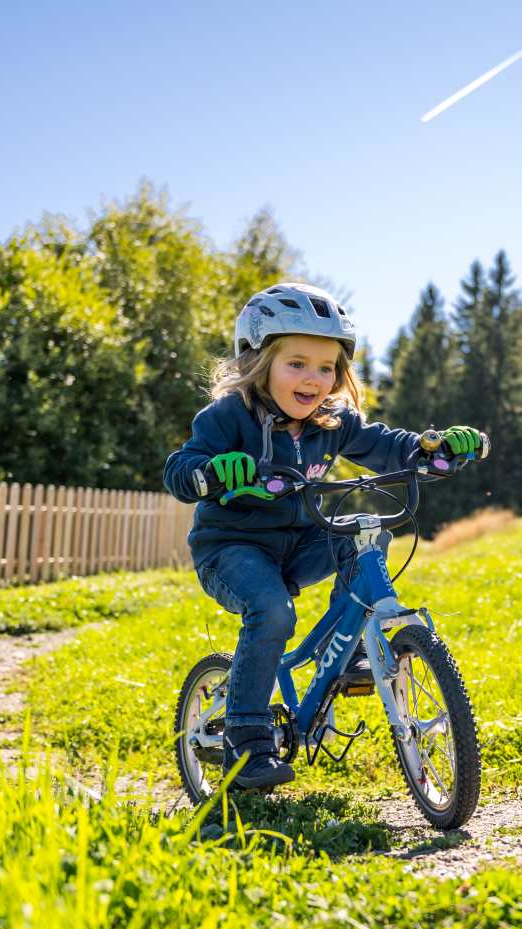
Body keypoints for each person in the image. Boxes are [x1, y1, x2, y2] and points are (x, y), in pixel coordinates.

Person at [164, 282, 483, 790]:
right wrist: (212, 472)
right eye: (297, 363)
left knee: (367, 534)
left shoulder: (331, 421)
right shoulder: (227, 418)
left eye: (327, 367)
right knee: (271, 611)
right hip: (232, 548)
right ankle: (246, 738)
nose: (314, 378)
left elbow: (385, 445)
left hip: (300, 540)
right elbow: (180, 469)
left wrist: (432, 450)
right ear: (258, 361)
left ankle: (353, 646)